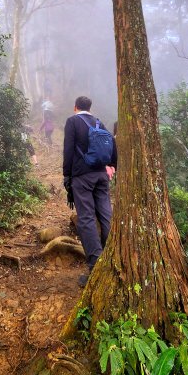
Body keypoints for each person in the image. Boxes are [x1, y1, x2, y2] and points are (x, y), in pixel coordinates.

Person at [63, 96, 117, 287]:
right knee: (106, 216)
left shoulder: (72, 121)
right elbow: (112, 143)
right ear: (90, 107)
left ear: (75, 107)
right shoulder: (98, 122)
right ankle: (112, 258)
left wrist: (66, 175)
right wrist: (112, 165)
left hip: (82, 177)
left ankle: (96, 267)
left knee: (86, 219)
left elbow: (68, 150)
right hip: (101, 176)